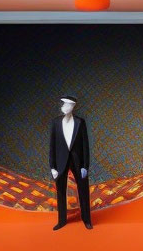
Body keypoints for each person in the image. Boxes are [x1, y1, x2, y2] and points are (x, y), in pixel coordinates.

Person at [49, 95, 93, 230]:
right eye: (63, 104)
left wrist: (85, 166)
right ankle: (62, 220)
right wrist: (52, 167)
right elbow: (52, 146)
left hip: (78, 161)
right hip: (61, 162)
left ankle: (86, 219)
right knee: (61, 190)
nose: (63, 106)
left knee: (83, 189)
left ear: (72, 107)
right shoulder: (56, 122)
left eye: (66, 104)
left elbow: (85, 145)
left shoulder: (80, 122)